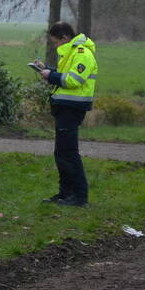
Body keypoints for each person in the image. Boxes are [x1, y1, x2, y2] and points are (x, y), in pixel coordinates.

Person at [36, 21, 98, 206]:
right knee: (61, 153)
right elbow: (65, 75)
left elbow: (73, 80)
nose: (55, 46)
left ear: (64, 38)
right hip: (65, 107)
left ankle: (79, 197)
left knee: (69, 153)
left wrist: (51, 76)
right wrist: (47, 69)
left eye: (56, 42)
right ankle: (65, 193)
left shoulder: (82, 53)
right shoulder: (71, 52)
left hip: (72, 108)